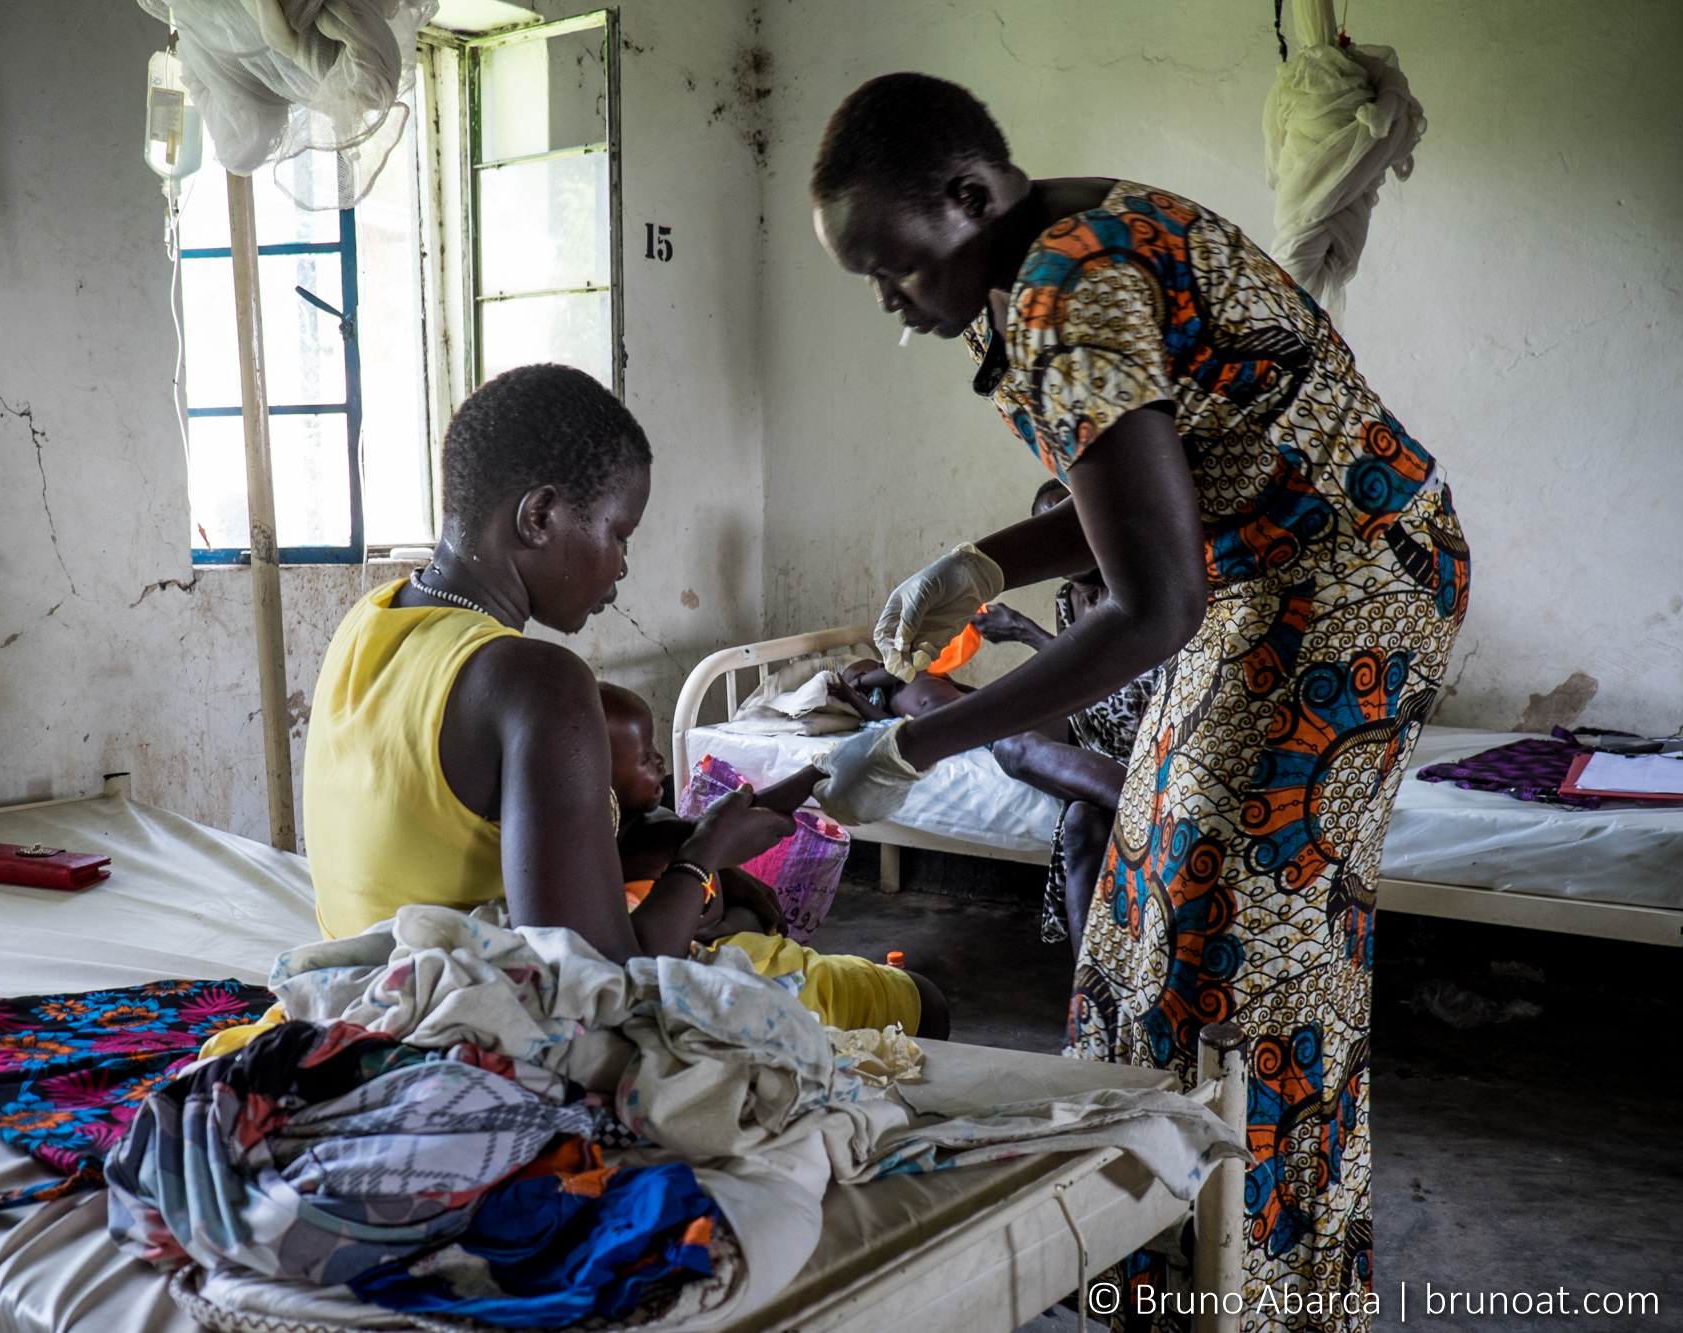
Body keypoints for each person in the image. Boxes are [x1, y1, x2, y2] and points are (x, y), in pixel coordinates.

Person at [802, 73, 1469, 1325]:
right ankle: (1157, 1260)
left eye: (890, 267)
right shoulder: (1080, 229)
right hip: (1275, 582)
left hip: (1337, 595)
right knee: (1144, 912)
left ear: (965, 195)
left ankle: (1259, 1290)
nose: (891, 302)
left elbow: (1149, 602)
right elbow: (1153, 494)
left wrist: (913, 742)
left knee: (1240, 951)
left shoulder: (1066, 291)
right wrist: (991, 558)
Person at [302, 363, 795, 967]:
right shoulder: (537, 680)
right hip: (478, 1024)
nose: (621, 566)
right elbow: (600, 978)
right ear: (539, 517)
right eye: (619, 534)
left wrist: (683, 854)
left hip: (358, 999)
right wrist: (703, 857)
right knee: (913, 999)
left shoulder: (368, 621)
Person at [602, 682, 949, 1037]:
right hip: (742, 988)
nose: (660, 762)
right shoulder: (618, 859)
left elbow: (749, 813)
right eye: (645, 757)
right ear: (597, 781)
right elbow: (656, 959)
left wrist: (818, 774)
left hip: (761, 959)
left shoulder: (648, 823)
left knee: (921, 997)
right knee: (924, 1002)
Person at [984, 479, 1163, 956]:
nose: (1068, 544)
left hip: (1150, 747)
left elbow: (1131, 683)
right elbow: (1071, 687)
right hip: (1097, 751)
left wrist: (1025, 632)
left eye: (1076, 526)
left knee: (1023, 752)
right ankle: (1091, 992)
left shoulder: (1138, 587)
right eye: (1053, 535)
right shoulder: (1069, 600)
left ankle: (1153, 807)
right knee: (1030, 767)